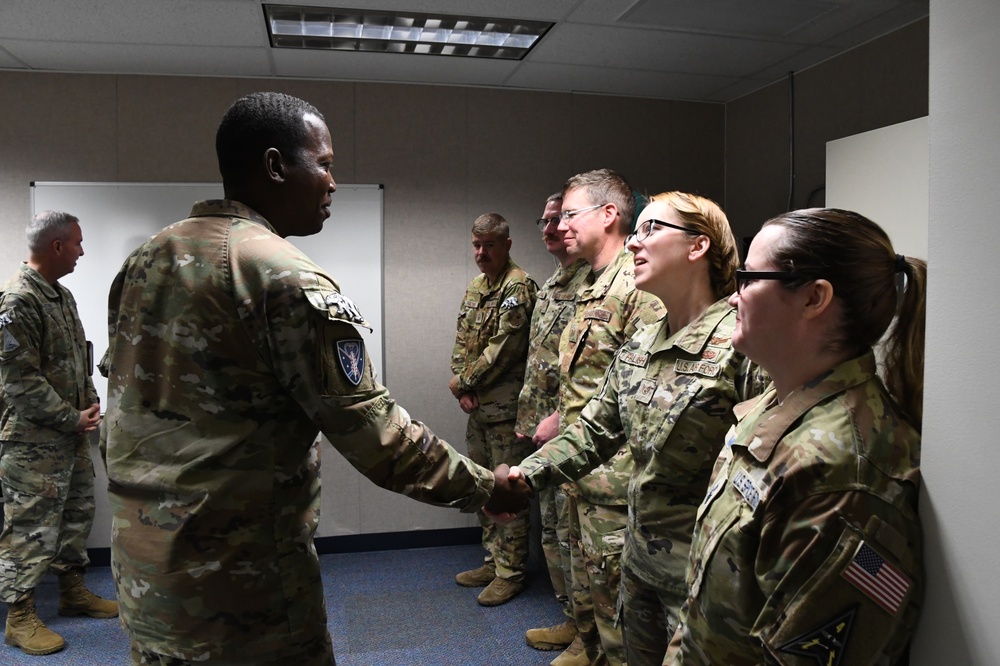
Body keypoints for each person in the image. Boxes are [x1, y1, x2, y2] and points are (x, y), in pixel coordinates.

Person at [99, 92, 529, 666]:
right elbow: (372, 432)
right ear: (276, 166)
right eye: (323, 164)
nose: (332, 182)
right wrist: (485, 488)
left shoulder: (145, 259)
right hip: (239, 584)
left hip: (144, 563)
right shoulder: (281, 274)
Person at [510, 192, 767, 665]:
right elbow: (594, 431)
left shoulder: (741, 344)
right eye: (636, 231)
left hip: (705, 581)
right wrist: (525, 476)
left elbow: (768, 474)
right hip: (639, 565)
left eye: (651, 230)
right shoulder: (643, 344)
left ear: (698, 247)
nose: (633, 244)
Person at [663, 208, 925, 665]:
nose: (731, 299)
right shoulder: (777, 402)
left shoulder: (841, 473)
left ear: (813, 298)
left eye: (748, 278)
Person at [531, 169, 664, 666]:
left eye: (570, 214)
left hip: (615, 477)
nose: (560, 225)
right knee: (590, 587)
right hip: (582, 466)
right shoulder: (592, 283)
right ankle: (586, 646)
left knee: (621, 612)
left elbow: (643, 395)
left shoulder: (637, 285)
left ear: (609, 215)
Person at [0, 211, 117, 657]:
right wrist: (73, 419)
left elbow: (77, 360)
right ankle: (20, 617)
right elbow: (20, 383)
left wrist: (89, 404)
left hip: (67, 436)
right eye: (78, 243)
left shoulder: (61, 296)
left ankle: (73, 592)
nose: (82, 251)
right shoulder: (17, 301)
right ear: (56, 246)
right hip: (31, 443)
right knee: (28, 529)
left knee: (75, 515)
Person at [514, 193, 592, 650]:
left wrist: (561, 419)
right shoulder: (553, 282)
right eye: (543, 220)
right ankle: (572, 616)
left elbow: (599, 367)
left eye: (559, 218)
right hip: (540, 428)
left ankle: (588, 633)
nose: (550, 227)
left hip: (573, 433)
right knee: (553, 530)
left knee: (573, 533)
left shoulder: (595, 282)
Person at [450, 212, 537, 606]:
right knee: (483, 486)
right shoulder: (475, 287)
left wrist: (464, 383)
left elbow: (503, 350)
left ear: (507, 245)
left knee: (507, 491)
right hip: (478, 408)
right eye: (476, 245)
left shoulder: (517, 287)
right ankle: (492, 560)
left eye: (489, 246)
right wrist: (461, 387)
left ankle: (511, 573)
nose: (481, 253)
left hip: (504, 410)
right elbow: (463, 341)